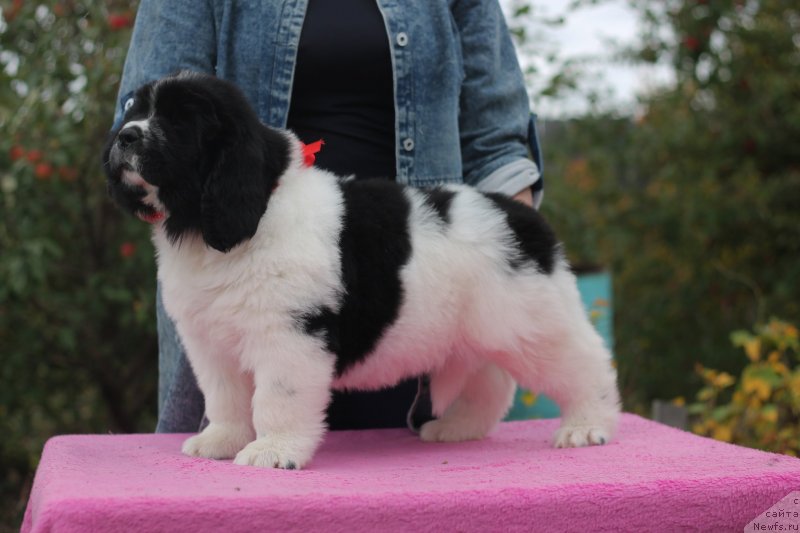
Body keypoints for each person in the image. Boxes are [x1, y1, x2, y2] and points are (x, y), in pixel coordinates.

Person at [113, 0, 544, 434]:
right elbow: (147, 130)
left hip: (422, 299)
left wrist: (520, 278)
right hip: (244, 299)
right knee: (249, 479)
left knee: (421, 492)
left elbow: (495, 145)